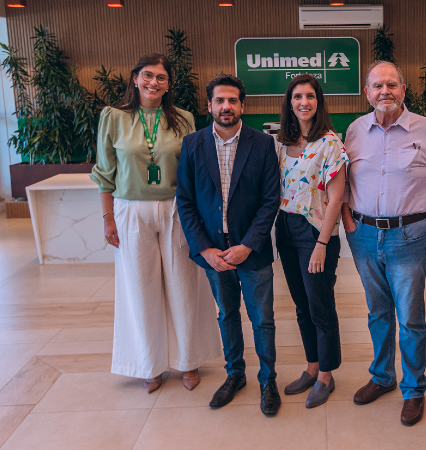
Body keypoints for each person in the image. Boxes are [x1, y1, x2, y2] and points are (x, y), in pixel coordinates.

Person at [91, 53, 220, 393]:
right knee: (141, 288)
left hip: (176, 208)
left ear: (168, 84)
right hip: (130, 210)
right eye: (148, 75)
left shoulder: (183, 118)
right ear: (135, 78)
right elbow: (105, 173)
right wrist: (108, 217)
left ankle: (189, 360)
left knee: (183, 284)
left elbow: (193, 171)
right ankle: (150, 364)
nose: (154, 82)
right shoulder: (114, 117)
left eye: (161, 77)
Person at [342, 60, 426, 426]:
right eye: (377, 86)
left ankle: (414, 389)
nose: (384, 91)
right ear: (367, 93)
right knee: (377, 312)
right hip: (364, 235)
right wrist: (349, 226)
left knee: (410, 318)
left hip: (410, 235)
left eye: (392, 85)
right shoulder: (354, 131)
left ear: (403, 90)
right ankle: (382, 377)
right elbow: (342, 184)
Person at [175, 74, 282, 416]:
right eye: (219, 100)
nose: (226, 106)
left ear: (242, 105)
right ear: (209, 106)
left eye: (232, 100)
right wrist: (205, 249)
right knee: (227, 315)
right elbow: (186, 202)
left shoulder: (263, 144)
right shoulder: (192, 145)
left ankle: (268, 379)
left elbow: (270, 201)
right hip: (214, 253)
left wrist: (249, 245)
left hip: (252, 252)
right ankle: (235, 374)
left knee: (262, 318)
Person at [274, 74, 348, 408]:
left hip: (315, 234)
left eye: (310, 96)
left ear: (319, 102)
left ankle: (327, 376)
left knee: (320, 305)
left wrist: (320, 243)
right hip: (286, 229)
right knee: (301, 306)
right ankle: (311, 366)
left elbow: (336, 198)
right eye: (297, 97)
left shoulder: (330, 143)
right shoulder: (281, 143)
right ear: (289, 104)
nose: (304, 102)